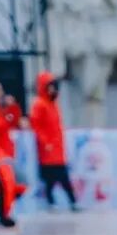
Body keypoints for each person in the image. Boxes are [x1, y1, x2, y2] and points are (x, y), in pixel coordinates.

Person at [29, 71, 78, 209]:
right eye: (50, 86)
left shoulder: (53, 104)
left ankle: (70, 201)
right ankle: (54, 202)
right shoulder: (39, 104)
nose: (53, 90)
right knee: (52, 177)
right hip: (48, 149)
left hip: (57, 147)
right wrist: (45, 143)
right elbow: (37, 126)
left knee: (62, 176)